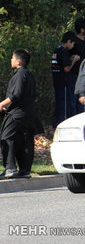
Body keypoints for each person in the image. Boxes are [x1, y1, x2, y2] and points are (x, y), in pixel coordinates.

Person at [0, 49, 38, 179]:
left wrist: (2, 104)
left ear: (19, 61)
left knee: (7, 137)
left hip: (17, 114)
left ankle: (10, 168)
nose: (11, 60)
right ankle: (25, 170)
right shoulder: (28, 74)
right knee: (24, 140)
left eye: (12, 58)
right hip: (29, 113)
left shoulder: (20, 74)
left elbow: (16, 94)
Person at [51, 31, 80, 127]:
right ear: (68, 41)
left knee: (59, 105)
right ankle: (62, 126)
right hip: (64, 83)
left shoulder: (56, 50)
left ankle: (55, 125)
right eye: (73, 43)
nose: (73, 46)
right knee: (65, 107)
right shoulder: (63, 51)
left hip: (57, 82)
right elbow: (66, 68)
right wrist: (73, 60)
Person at [71, 18, 85, 113]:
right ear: (82, 29)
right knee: (72, 100)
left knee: (82, 99)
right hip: (73, 73)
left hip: (82, 73)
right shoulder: (73, 40)